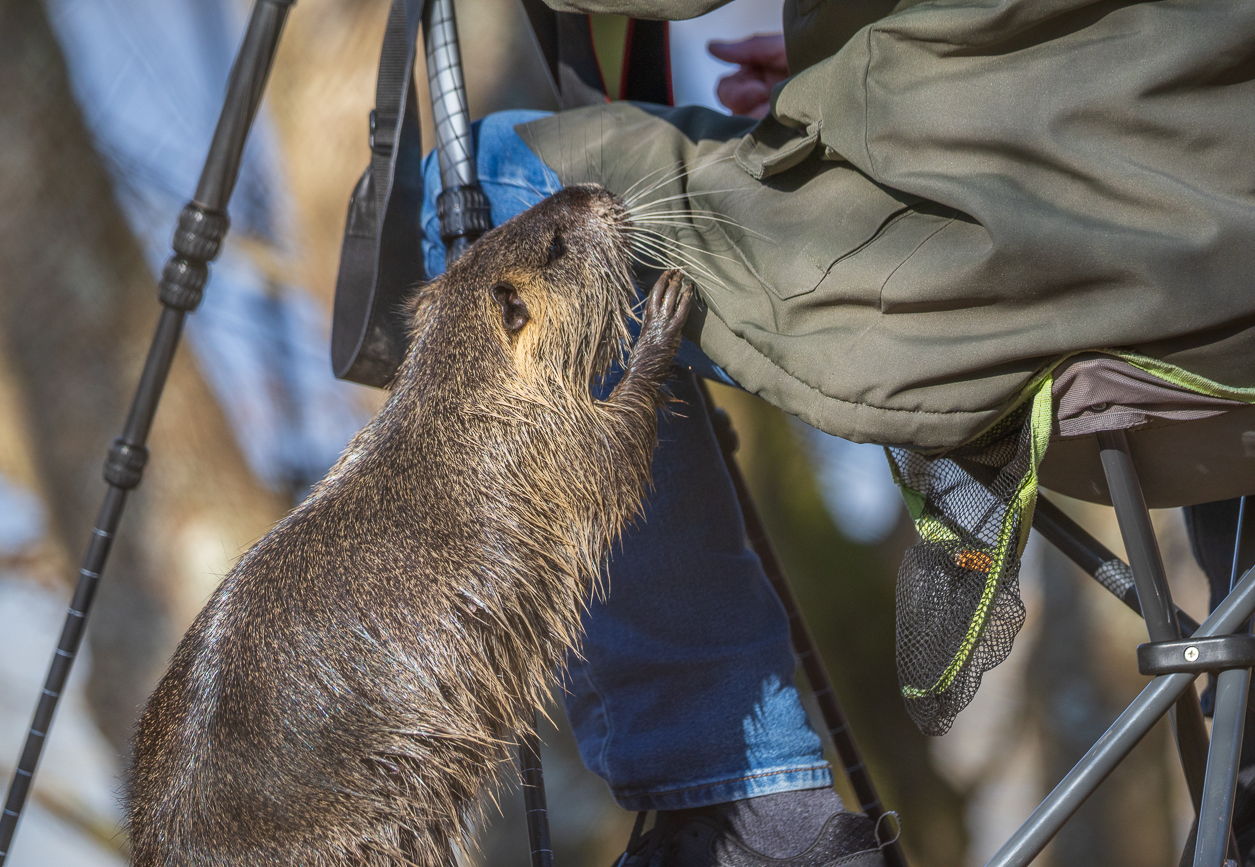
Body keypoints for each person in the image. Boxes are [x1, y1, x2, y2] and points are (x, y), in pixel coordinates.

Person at [420, 0, 1255, 865]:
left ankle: (746, 818)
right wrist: (861, 65)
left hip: (1021, 257)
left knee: (493, 182)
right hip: (1226, 310)